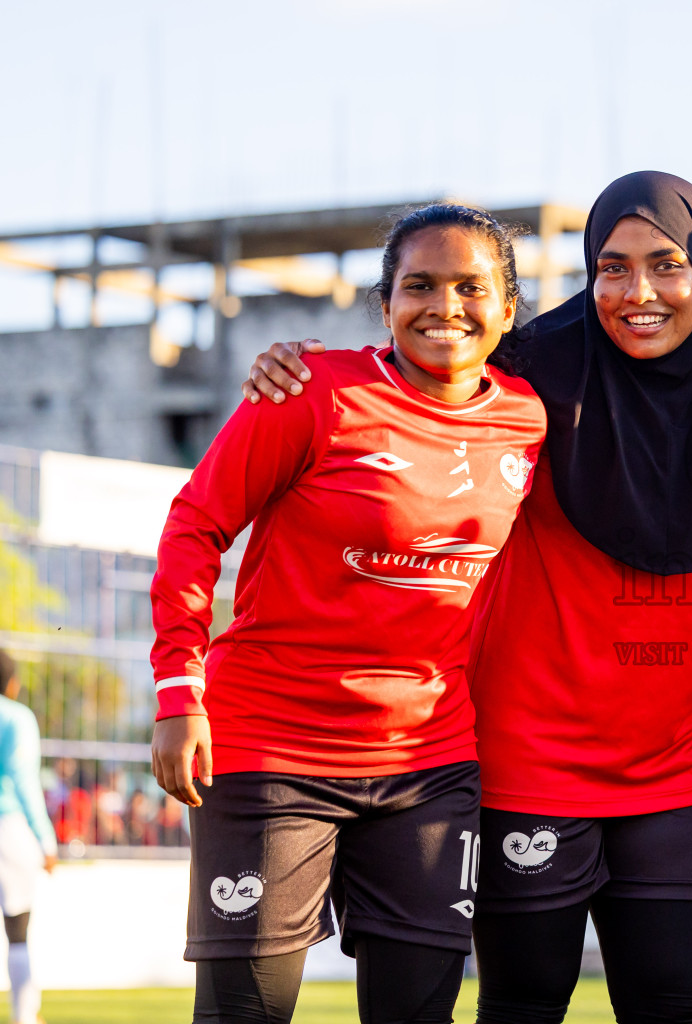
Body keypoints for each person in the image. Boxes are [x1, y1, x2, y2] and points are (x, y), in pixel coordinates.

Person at [242, 171, 692, 1024]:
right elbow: (425, 365)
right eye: (612, 266)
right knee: (522, 1006)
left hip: (671, 775)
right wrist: (299, 368)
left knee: (674, 1006)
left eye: (667, 264)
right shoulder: (533, 382)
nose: (639, 291)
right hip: (529, 766)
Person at [150, 203, 546, 1024]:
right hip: (271, 754)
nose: (446, 306)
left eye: (472, 287)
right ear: (386, 302)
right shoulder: (312, 391)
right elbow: (196, 524)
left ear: (509, 309)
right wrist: (177, 692)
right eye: (420, 285)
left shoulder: (531, 421)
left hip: (431, 768)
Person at [0, 650, 58, 1024]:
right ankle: (23, 1018)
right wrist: (46, 841)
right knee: (17, 929)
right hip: (9, 830)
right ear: (12, 682)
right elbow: (24, 782)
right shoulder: (17, 717)